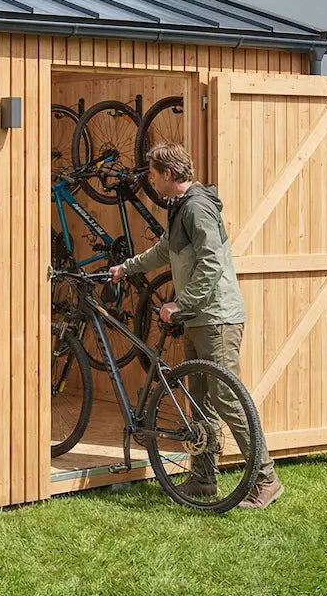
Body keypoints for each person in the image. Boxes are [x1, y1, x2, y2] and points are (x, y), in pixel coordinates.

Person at [110, 141, 283, 510]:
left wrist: (181, 303)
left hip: (216, 318)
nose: (150, 181)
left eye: (153, 175)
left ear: (169, 175)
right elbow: (163, 252)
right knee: (199, 400)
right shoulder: (180, 208)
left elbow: (211, 262)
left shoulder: (198, 208)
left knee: (226, 398)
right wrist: (126, 267)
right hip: (199, 318)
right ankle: (204, 478)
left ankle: (266, 479)